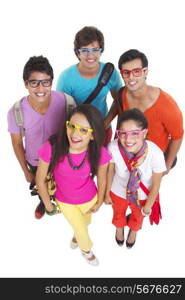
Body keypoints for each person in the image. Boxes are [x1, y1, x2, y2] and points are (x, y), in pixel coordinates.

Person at [36, 104, 111, 266]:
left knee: (86, 223)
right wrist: (49, 207)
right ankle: (86, 251)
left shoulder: (100, 152)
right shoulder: (51, 147)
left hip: (90, 198)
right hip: (65, 201)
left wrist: (99, 201)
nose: (75, 134)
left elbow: (102, 179)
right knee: (82, 229)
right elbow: (39, 180)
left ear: (93, 136)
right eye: (72, 126)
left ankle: (76, 236)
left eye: (84, 130)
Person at [7, 55, 73, 219]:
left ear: (51, 81)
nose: (40, 88)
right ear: (25, 83)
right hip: (35, 160)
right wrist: (25, 171)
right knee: (40, 184)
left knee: (62, 186)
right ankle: (44, 202)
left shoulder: (67, 102)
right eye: (34, 82)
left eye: (45, 82)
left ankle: (64, 204)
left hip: (61, 158)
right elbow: (16, 143)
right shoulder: (16, 111)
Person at [105, 109, 166, 248]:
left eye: (135, 133)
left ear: (144, 132)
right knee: (118, 212)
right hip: (118, 190)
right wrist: (107, 192)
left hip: (142, 196)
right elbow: (110, 170)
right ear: (118, 133)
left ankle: (133, 231)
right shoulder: (113, 147)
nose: (128, 139)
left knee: (138, 216)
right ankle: (119, 228)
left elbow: (156, 185)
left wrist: (148, 206)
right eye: (123, 134)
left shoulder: (155, 153)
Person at [117, 49, 184, 174]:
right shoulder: (122, 94)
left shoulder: (167, 105)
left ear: (145, 72)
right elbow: (120, 116)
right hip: (130, 153)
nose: (131, 77)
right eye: (126, 73)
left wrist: (167, 166)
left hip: (154, 158)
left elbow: (177, 136)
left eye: (136, 72)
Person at [56, 26, 122, 146]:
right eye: (84, 50)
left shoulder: (109, 72)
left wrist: (105, 123)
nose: (90, 55)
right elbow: (61, 111)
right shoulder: (66, 78)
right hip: (76, 132)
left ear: (101, 51)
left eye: (95, 49)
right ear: (77, 53)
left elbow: (119, 101)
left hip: (102, 129)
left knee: (102, 163)